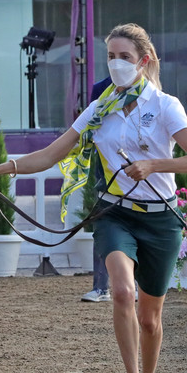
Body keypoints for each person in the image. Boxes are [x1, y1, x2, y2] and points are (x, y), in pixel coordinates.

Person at [0, 24, 187, 373]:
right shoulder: (99, 108)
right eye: (111, 56)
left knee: (151, 319)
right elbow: (49, 154)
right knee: (119, 290)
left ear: (144, 62)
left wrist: (153, 164)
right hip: (114, 213)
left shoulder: (165, 105)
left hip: (160, 219)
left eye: (124, 57)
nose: (116, 64)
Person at [81, 76, 112, 303]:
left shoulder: (151, 91)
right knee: (102, 225)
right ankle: (101, 286)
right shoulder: (100, 89)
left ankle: (140, 285)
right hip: (106, 169)